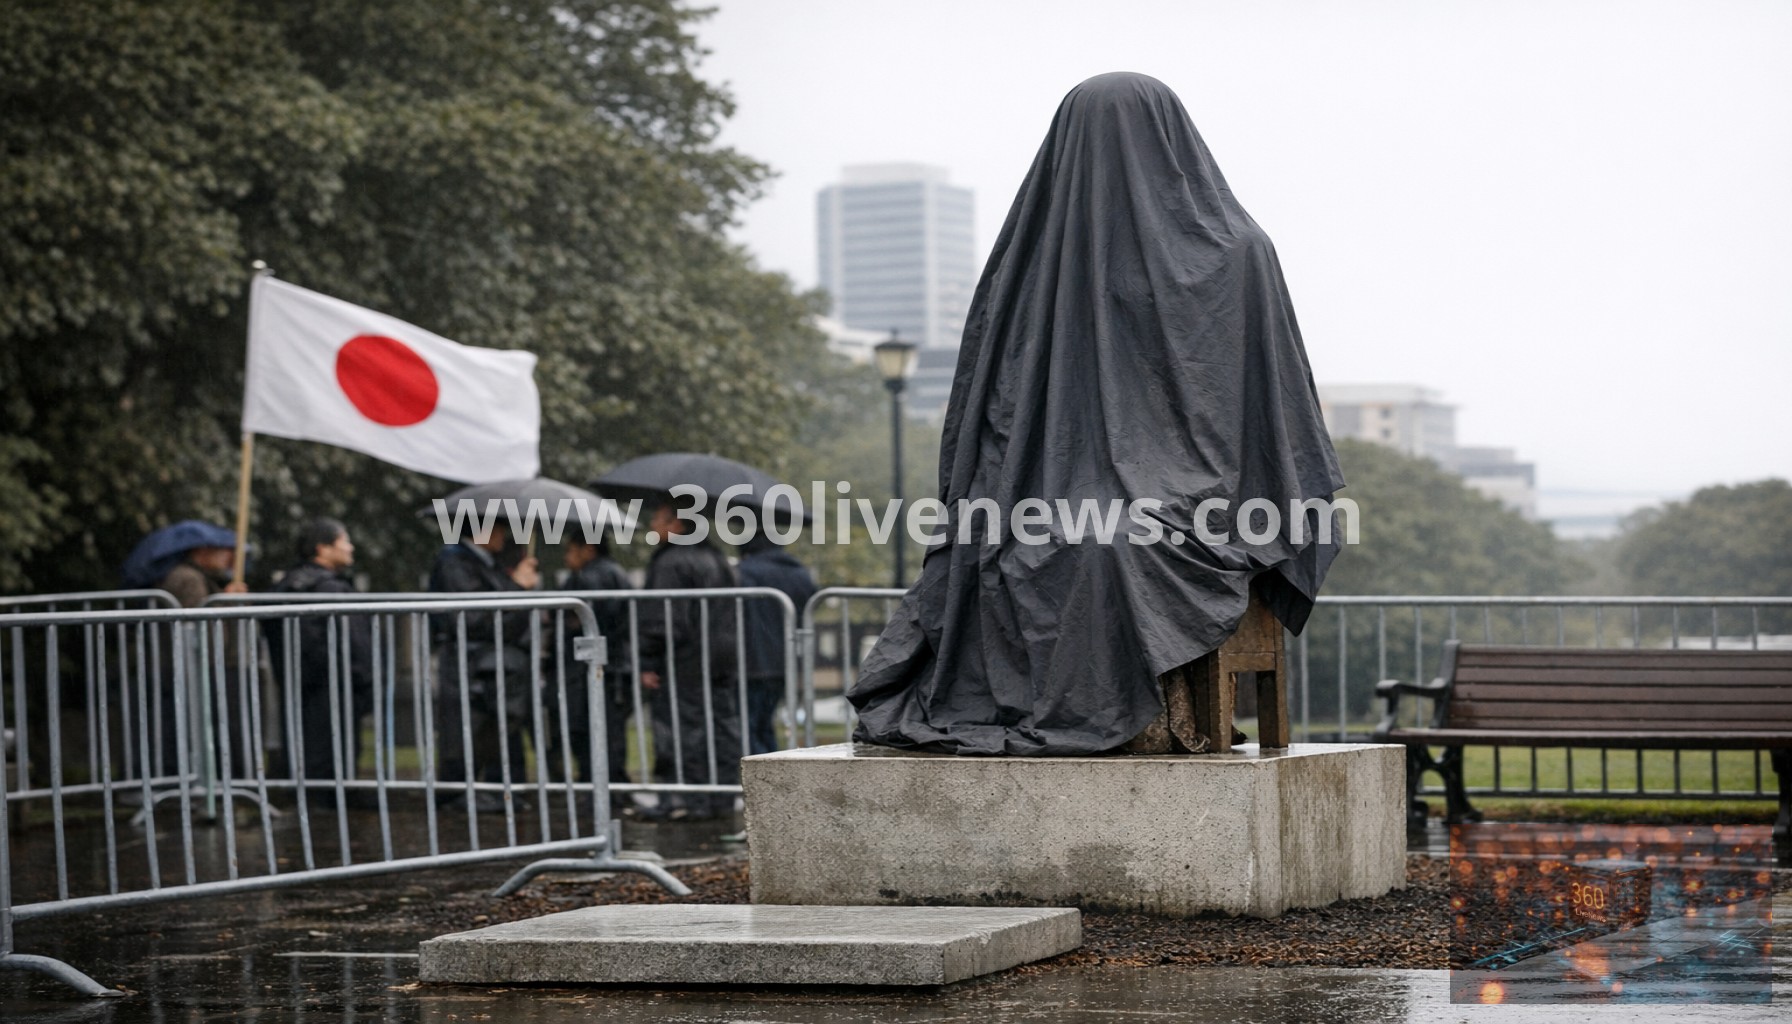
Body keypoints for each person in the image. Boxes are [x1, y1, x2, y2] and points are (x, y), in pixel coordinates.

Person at [847, 73, 1345, 756]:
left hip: (1210, 493)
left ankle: (1154, 719)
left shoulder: (1238, 254)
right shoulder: (1032, 262)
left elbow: (1269, 404)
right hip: (1049, 484)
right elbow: (992, 406)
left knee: (1111, 545)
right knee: (1013, 539)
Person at [636, 493, 741, 820]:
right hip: (720, 659)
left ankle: (685, 799)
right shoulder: (716, 557)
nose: (652, 525)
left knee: (683, 731)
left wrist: (648, 661)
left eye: (658, 519)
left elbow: (663, 619)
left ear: (677, 524)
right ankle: (721, 797)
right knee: (721, 727)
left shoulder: (670, 561)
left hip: (684, 661)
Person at [427, 526, 540, 811]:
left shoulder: (488, 563)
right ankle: (457, 795)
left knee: (495, 730)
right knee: (465, 731)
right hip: (469, 663)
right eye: (497, 528)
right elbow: (475, 617)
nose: (504, 535)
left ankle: (498, 792)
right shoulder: (455, 561)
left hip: (493, 664)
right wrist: (517, 587)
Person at [262, 518, 371, 793]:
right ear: (322, 548)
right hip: (331, 685)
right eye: (344, 541)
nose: (351, 547)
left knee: (310, 755)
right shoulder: (327, 588)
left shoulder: (289, 585)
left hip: (303, 684)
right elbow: (349, 641)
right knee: (330, 759)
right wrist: (361, 678)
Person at [555, 533, 634, 802]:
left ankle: (599, 789)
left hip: (593, 668)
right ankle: (611, 788)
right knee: (609, 731)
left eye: (570, 550)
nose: (567, 558)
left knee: (592, 729)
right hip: (613, 666)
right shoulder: (616, 573)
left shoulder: (589, 577)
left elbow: (577, 619)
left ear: (587, 549)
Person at [735, 531, 815, 755]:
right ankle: (769, 773)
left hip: (751, 659)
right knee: (764, 723)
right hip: (785, 660)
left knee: (748, 725)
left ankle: (757, 779)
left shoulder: (745, 572)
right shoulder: (799, 573)